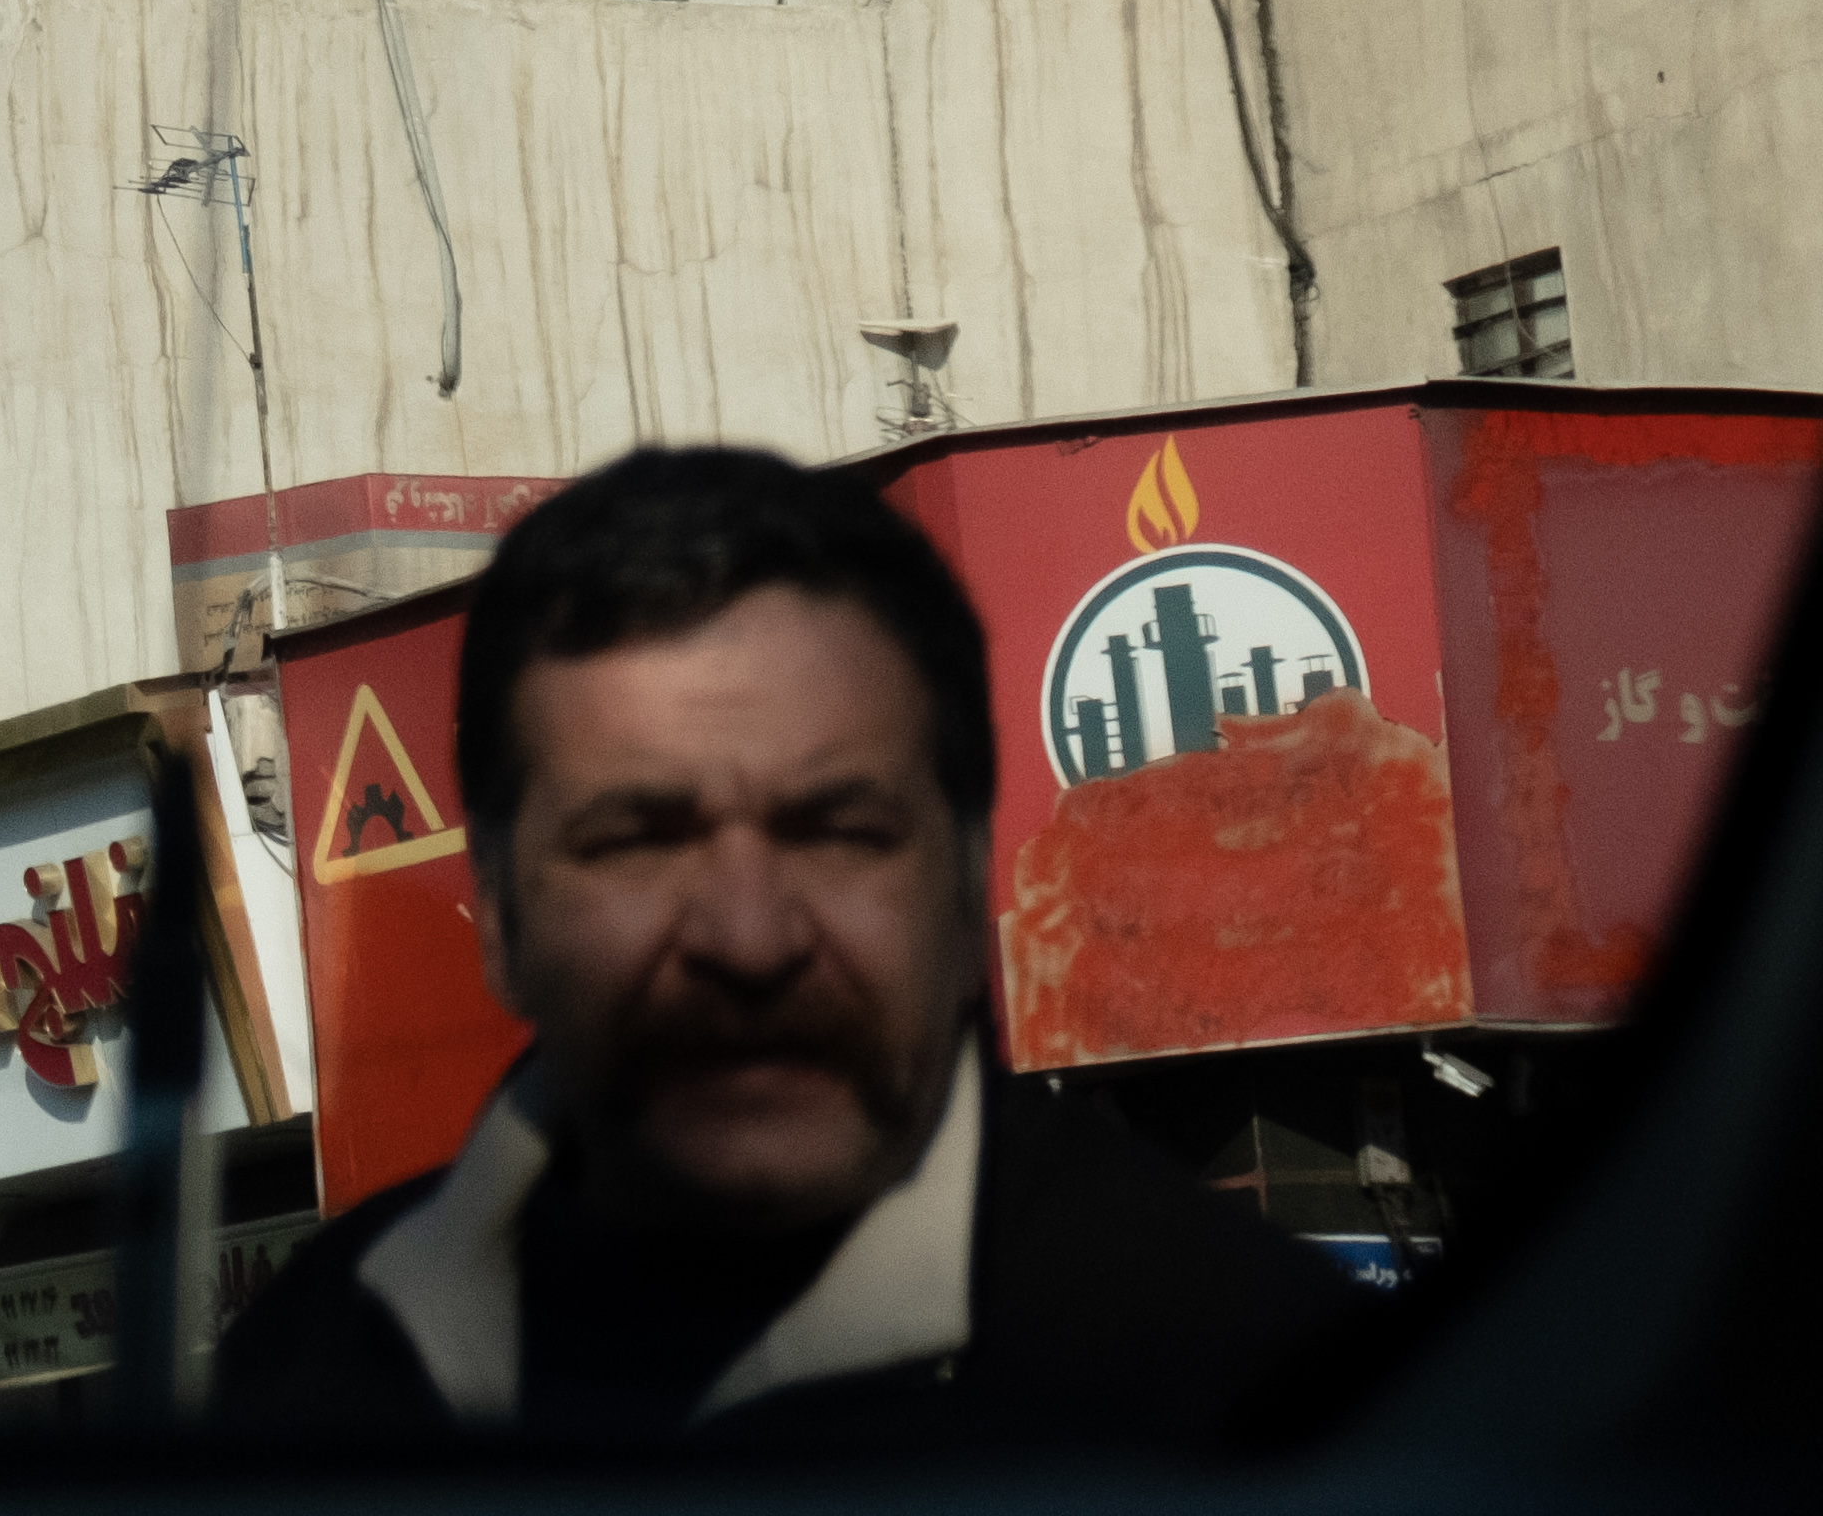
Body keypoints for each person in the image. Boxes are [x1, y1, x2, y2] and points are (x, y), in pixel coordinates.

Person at [212, 445, 1353, 1450]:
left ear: (965, 898)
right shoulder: (314, 1374)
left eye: (838, 832)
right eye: (641, 841)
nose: (749, 940)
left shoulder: (1264, 1400)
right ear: (502, 919)